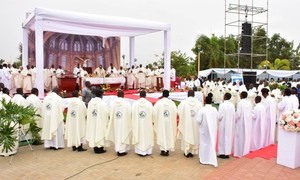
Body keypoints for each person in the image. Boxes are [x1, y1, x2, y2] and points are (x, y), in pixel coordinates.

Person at [106, 90, 132, 156]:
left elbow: (109, 113)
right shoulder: (127, 104)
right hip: (124, 123)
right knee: (123, 134)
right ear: (123, 95)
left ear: (117, 95)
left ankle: (118, 149)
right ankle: (122, 150)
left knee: (117, 135)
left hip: (116, 123)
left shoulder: (112, 104)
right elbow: (130, 113)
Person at [177, 90, 202, 158]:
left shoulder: (183, 103)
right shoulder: (199, 104)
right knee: (194, 135)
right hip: (195, 124)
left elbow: (179, 112)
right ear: (194, 95)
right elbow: (201, 114)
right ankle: (192, 152)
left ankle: (186, 151)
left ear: (187, 95)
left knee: (186, 135)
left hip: (186, 124)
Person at [153, 90, 177, 156]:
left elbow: (154, 113)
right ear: (168, 95)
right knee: (168, 134)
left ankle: (162, 150)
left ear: (162, 95)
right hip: (169, 122)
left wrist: (155, 120)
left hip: (161, 122)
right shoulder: (172, 103)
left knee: (162, 134)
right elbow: (175, 112)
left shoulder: (158, 103)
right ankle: (167, 150)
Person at [196, 94, 218, 167]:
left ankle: (203, 159)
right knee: (211, 143)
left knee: (203, 143)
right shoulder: (214, 109)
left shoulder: (202, 110)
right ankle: (210, 158)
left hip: (204, 130)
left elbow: (198, 120)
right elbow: (217, 117)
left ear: (205, 101)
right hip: (212, 130)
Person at [86, 88, 109, 154]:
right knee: (99, 133)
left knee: (94, 132)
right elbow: (106, 113)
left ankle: (95, 148)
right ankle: (100, 148)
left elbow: (88, 112)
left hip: (92, 121)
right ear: (101, 95)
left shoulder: (90, 103)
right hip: (100, 122)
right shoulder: (102, 103)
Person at [131, 90, 154, 157]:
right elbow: (152, 114)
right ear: (145, 95)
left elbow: (132, 114)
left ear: (139, 95)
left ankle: (139, 151)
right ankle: (147, 151)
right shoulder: (149, 104)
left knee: (139, 134)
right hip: (147, 125)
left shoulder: (135, 104)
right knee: (146, 135)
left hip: (138, 125)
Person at [234, 91, 252, 157]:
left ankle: (239, 152)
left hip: (241, 123)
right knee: (246, 136)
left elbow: (238, 114)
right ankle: (246, 150)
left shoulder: (240, 103)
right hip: (248, 122)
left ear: (241, 96)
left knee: (240, 137)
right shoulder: (249, 103)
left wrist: (234, 119)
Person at [217, 92, 235, 159]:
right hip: (229, 124)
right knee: (228, 138)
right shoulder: (232, 105)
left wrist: (217, 118)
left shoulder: (222, 105)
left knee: (222, 138)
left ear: (225, 97)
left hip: (223, 124)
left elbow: (220, 116)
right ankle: (227, 153)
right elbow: (234, 114)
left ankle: (222, 153)